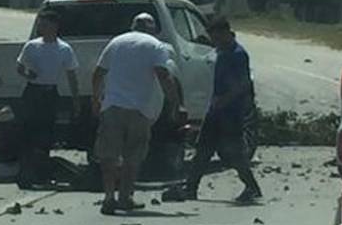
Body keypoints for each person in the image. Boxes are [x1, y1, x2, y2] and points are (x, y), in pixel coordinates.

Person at [165, 16, 263, 205]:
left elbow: (243, 83)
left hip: (230, 112)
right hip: (215, 111)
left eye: (217, 36)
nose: (215, 40)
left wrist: (225, 100)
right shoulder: (221, 51)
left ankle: (252, 187)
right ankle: (191, 188)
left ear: (226, 33)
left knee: (233, 153)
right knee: (203, 149)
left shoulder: (237, 53)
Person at [91, 13, 180, 214]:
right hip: (140, 110)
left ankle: (108, 197)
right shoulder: (156, 46)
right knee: (133, 155)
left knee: (109, 155)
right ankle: (125, 197)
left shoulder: (116, 42)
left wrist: (96, 99)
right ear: (152, 29)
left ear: (133, 26)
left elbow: (98, 73)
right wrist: (176, 103)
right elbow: (164, 76)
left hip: (112, 107)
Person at [15, 9, 81, 189]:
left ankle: (41, 175)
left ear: (54, 26)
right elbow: (19, 66)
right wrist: (28, 73)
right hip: (32, 93)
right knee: (27, 134)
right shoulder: (32, 46)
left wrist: (76, 100)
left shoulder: (64, 49)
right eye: (40, 23)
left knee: (46, 136)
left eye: (44, 24)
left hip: (50, 93)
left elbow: (71, 75)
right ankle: (24, 174)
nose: (40, 27)